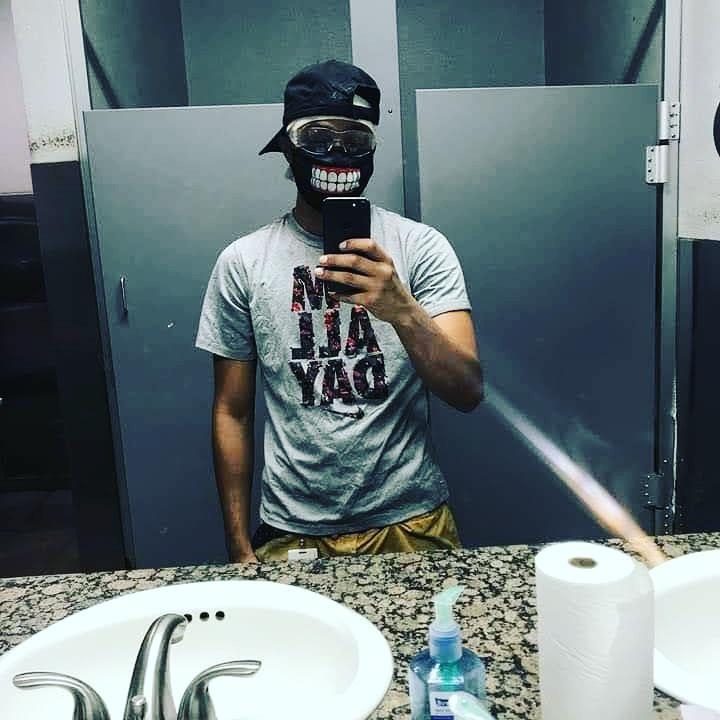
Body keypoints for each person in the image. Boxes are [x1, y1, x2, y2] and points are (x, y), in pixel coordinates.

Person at [196, 59, 483, 563]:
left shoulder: (421, 248)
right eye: (317, 137)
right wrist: (238, 544)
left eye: (354, 139)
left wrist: (402, 310)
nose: (336, 153)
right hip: (293, 528)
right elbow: (231, 411)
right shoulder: (243, 262)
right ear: (287, 146)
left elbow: (467, 392)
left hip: (413, 520)